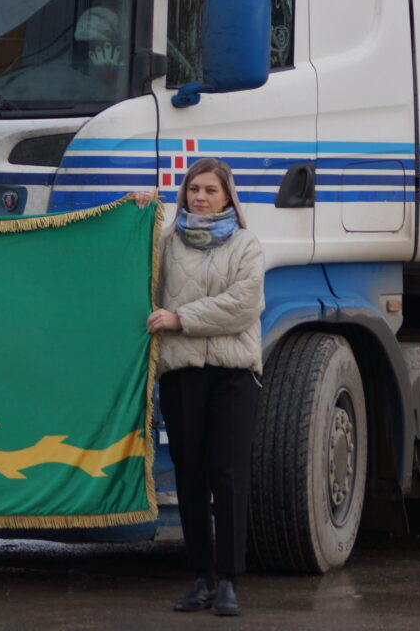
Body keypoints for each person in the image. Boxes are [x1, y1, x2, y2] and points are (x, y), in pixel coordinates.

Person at [143, 158, 264, 617]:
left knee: (228, 474)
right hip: (183, 371)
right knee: (190, 474)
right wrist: (139, 210)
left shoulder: (246, 244)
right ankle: (201, 578)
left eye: (211, 190)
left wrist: (181, 319)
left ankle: (229, 581)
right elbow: (135, 265)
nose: (200, 197)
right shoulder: (167, 243)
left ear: (228, 197)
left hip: (234, 373)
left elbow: (244, 304)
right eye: (193, 189)